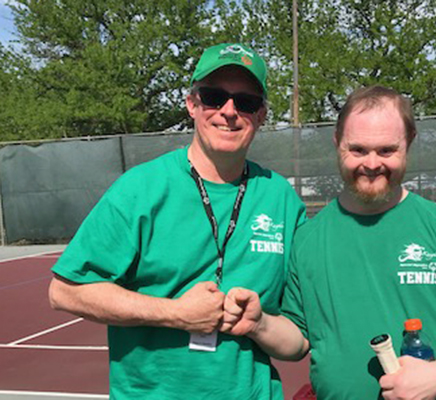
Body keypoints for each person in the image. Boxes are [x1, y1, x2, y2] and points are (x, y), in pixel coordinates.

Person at [48, 43, 306, 399]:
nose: (229, 112)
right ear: (192, 104)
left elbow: (297, 340)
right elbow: (64, 291)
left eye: (245, 102)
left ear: (261, 115)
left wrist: (258, 324)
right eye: (214, 97)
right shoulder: (140, 189)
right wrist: (176, 314)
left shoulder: (282, 200)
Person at [221, 86, 436, 400]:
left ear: (409, 142)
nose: (372, 164)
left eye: (386, 150)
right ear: (337, 142)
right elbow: (298, 338)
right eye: (357, 150)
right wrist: (259, 324)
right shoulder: (307, 238)